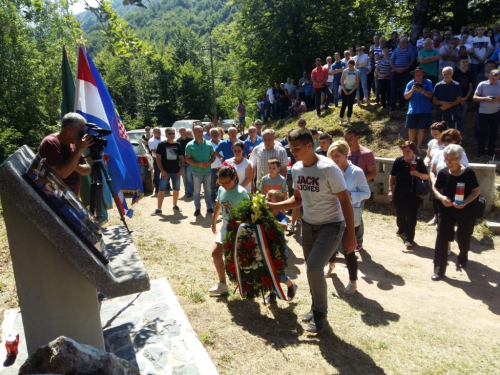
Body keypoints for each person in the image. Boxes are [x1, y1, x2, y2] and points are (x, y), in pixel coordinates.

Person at [267, 128, 356, 334]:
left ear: (310, 146)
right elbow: (297, 199)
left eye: (297, 148)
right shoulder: (297, 168)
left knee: (313, 268)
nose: (293, 152)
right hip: (308, 224)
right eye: (291, 148)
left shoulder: (328, 168)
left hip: (332, 225)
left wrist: (350, 234)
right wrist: (275, 207)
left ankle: (320, 315)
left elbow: (345, 201)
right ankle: (316, 307)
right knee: (312, 268)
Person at [324, 140, 370, 295]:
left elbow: (367, 193)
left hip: (349, 215)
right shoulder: (329, 170)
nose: (334, 158)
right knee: (330, 242)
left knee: (348, 249)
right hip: (331, 213)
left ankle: (353, 282)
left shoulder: (356, 172)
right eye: (331, 155)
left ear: (345, 154)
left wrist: (350, 195)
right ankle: (330, 265)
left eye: (337, 155)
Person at [432, 145, 480, 280]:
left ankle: (463, 257)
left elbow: (476, 191)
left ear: (459, 158)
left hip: (465, 211)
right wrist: (441, 198)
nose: (449, 163)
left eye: (452, 159)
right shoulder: (443, 172)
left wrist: (466, 202)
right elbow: (435, 188)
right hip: (446, 210)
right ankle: (439, 269)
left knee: (463, 238)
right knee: (441, 238)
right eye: (446, 160)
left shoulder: (468, 173)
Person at [210, 165, 249, 295]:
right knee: (216, 253)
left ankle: (246, 285)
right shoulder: (221, 189)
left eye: (227, 182)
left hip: (239, 229)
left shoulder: (241, 193)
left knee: (238, 258)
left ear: (234, 178)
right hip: (225, 226)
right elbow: (218, 205)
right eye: (221, 182)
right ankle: (222, 284)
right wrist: (214, 221)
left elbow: (248, 214)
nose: (224, 185)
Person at [38, 112, 93, 196]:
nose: (82, 137)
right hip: (54, 198)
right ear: (69, 128)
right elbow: (63, 173)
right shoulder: (51, 142)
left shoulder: (73, 144)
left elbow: (87, 170)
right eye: (81, 133)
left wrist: (74, 166)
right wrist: (78, 150)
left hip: (70, 198)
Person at [388, 141, 429, 248]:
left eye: (408, 151)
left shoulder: (418, 162)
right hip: (399, 192)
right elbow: (392, 176)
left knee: (411, 216)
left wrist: (417, 173)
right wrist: (390, 190)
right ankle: (401, 229)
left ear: (413, 151)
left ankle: (409, 238)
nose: (406, 153)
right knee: (400, 214)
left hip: (413, 194)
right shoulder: (399, 161)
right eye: (404, 150)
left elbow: (426, 176)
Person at [430, 129, 470, 229]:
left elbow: (465, 171)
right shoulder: (439, 153)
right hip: (439, 186)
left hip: (454, 187)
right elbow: (432, 171)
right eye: (444, 140)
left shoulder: (461, 154)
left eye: (449, 140)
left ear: (455, 140)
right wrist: (433, 182)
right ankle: (439, 223)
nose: (446, 142)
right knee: (438, 207)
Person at [264, 190, 299, 303]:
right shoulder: (263, 213)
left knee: (279, 273)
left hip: (279, 248)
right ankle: (272, 294)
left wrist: (271, 221)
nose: (266, 202)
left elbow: (285, 226)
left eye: (270, 200)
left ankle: (291, 285)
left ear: (278, 205)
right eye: (266, 199)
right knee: (268, 272)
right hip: (266, 246)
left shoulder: (280, 215)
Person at [344, 129, 376, 251]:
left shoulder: (367, 153)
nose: (348, 142)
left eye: (350, 139)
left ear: (357, 137)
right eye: (346, 139)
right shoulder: (344, 152)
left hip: (359, 191)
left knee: (357, 215)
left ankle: (358, 241)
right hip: (344, 189)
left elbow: (373, 173)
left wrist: (358, 180)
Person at [151, 128, 184, 215]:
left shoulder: (178, 145)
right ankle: (159, 209)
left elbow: (181, 158)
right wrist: (162, 170)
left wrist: (181, 169)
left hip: (176, 171)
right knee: (162, 190)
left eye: (173, 133)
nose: (172, 135)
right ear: (166, 135)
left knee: (176, 190)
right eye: (170, 133)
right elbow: (158, 158)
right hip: (166, 171)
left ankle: (175, 205)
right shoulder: (162, 145)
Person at [185, 126, 216, 216]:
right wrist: (198, 164)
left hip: (208, 170)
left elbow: (213, 155)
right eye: (198, 131)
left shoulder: (208, 144)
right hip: (196, 171)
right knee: (197, 190)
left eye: (202, 131)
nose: (201, 132)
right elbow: (187, 159)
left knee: (208, 190)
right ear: (194, 132)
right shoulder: (190, 145)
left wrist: (210, 162)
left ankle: (209, 207)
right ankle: (197, 208)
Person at [404, 66, 434, 154]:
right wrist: (412, 90)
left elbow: (430, 95)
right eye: (416, 74)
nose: (418, 76)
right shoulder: (410, 84)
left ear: (423, 74)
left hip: (425, 110)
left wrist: (421, 91)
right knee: (411, 129)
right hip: (412, 110)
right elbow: (406, 96)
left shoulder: (428, 82)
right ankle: (411, 147)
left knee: (422, 129)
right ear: (414, 75)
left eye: (420, 74)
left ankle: (419, 147)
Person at [424, 122, 449, 225]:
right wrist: (426, 160)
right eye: (432, 134)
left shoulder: (447, 143)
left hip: (446, 174)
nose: (434, 136)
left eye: (436, 134)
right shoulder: (432, 143)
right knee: (435, 196)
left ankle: (445, 219)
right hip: (434, 173)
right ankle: (435, 217)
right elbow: (428, 155)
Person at [473, 69, 500, 159]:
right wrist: (485, 99)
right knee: (482, 132)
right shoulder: (482, 84)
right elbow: (475, 97)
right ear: (489, 76)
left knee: (493, 133)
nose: (494, 81)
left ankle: (490, 153)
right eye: (492, 79)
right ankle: (479, 152)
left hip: (496, 112)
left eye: (496, 79)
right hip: (483, 112)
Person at [390, 36, 414, 111]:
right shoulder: (396, 51)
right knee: (393, 89)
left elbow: (412, 61)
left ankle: (402, 106)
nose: (405, 44)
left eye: (407, 42)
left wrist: (405, 68)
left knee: (403, 89)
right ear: (400, 43)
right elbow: (391, 61)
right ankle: (392, 106)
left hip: (405, 72)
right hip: (395, 72)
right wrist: (395, 69)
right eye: (403, 42)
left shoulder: (410, 51)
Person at [453, 57, 474, 131]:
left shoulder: (469, 73)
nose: (465, 63)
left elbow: (470, 87)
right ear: (459, 63)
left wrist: (465, 98)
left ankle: (458, 132)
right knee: (455, 116)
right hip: (456, 98)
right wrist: (460, 98)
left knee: (462, 116)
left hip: (466, 98)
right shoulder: (456, 73)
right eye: (463, 62)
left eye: (466, 62)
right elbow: (454, 87)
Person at [339, 59, 360, 125]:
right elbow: (342, 81)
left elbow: (357, 82)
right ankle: (341, 119)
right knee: (344, 105)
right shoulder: (345, 71)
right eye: (349, 66)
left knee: (350, 105)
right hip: (345, 89)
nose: (350, 67)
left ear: (353, 65)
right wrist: (344, 90)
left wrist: (351, 91)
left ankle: (348, 118)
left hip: (352, 89)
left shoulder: (357, 71)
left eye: (351, 66)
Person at [176, 127, 194, 198]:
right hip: (182, 162)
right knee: (184, 177)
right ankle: (187, 191)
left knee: (189, 176)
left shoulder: (191, 140)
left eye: (184, 131)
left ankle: (190, 191)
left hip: (190, 161)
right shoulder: (177, 141)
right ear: (179, 132)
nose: (183, 132)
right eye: (181, 131)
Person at [148, 128, 166, 195]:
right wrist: (161, 154)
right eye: (158, 132)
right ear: (154, 133)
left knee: (166, 172)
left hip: (165, 159)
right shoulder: (151, 140)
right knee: (157, 173)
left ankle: (167, 186)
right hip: (156, 159)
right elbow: (153, 150)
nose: (159, 133)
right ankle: (157, 187)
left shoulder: (164, 138)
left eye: (160, 132)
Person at [209, 128, 223, 201]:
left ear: (219, 134)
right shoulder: (208, 144)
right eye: (213, 133)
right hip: (212, 168)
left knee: (222, 184)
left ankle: (221, 197)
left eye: (216, 133)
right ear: (210, 134)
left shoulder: (223, 143)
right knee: (212, 184)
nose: (215, 134)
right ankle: (212, 198)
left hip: (222, 168)